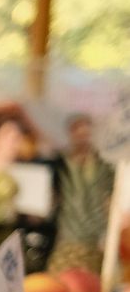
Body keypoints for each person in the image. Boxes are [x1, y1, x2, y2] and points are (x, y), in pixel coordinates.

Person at [49, 111, 116, 276]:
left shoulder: (105, 166)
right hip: (65, 242)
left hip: (96, 245)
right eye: (78, 131)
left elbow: (111, 199)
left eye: (87, 132)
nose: (83, 137)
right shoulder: (58, 164)